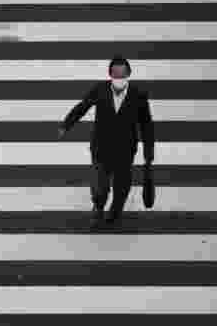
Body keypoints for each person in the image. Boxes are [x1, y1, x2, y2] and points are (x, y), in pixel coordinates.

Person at [58, 56, 155, 229]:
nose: (119, 77)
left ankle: (116, 211)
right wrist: (66, 124)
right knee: (99, 185)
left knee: (122, 186)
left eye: (123, 74)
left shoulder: (139, 95)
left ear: (129, 74)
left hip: (125, 150)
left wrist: (149, 154)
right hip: (100, 147)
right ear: (109, 74)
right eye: (115, 74)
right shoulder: (99, 90)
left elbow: (147, 126)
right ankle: (98, 208)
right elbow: (82, 107)